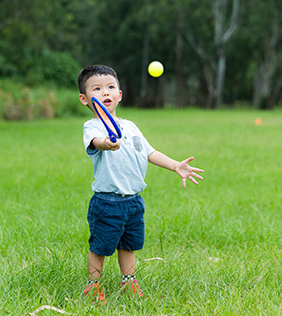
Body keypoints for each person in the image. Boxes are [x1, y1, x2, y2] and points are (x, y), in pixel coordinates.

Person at [78, 64, 204, 304]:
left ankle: (129, 283)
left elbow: (149, 152)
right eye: (97, 89)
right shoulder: (92, 127)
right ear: (84, 99)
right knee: (101, 246)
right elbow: (96, 142)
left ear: (120, 94)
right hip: (108, 202)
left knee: (129, 245)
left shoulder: (131, 126)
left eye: (110, 87)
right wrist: (107, 142)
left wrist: (176, 165)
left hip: (134, 201)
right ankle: (92, 287)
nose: (105, 92)